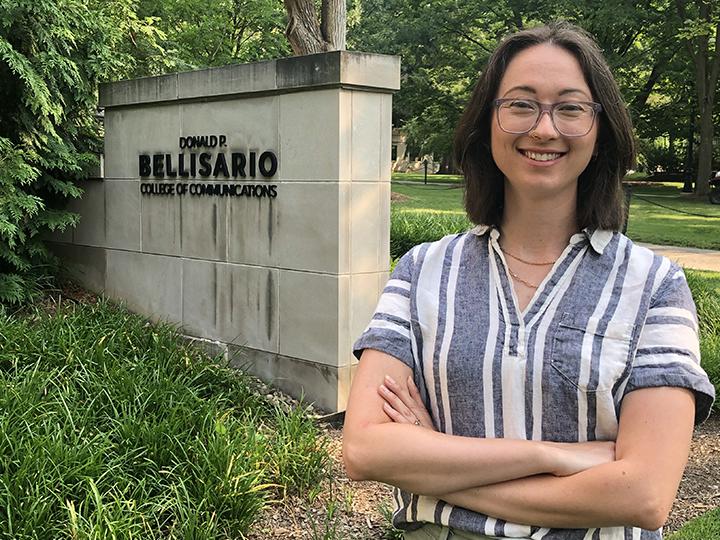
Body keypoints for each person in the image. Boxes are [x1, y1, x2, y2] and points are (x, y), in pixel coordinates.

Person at [343, 21, 715, 540]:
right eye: (520, 104)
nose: (544, 128)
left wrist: (433, 463)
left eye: (570, 107)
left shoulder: (654, 285)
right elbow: (364, 448)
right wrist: (552, 455)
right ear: (487, 122)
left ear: (599, 129)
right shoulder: (423, 271)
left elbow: (644, 493)